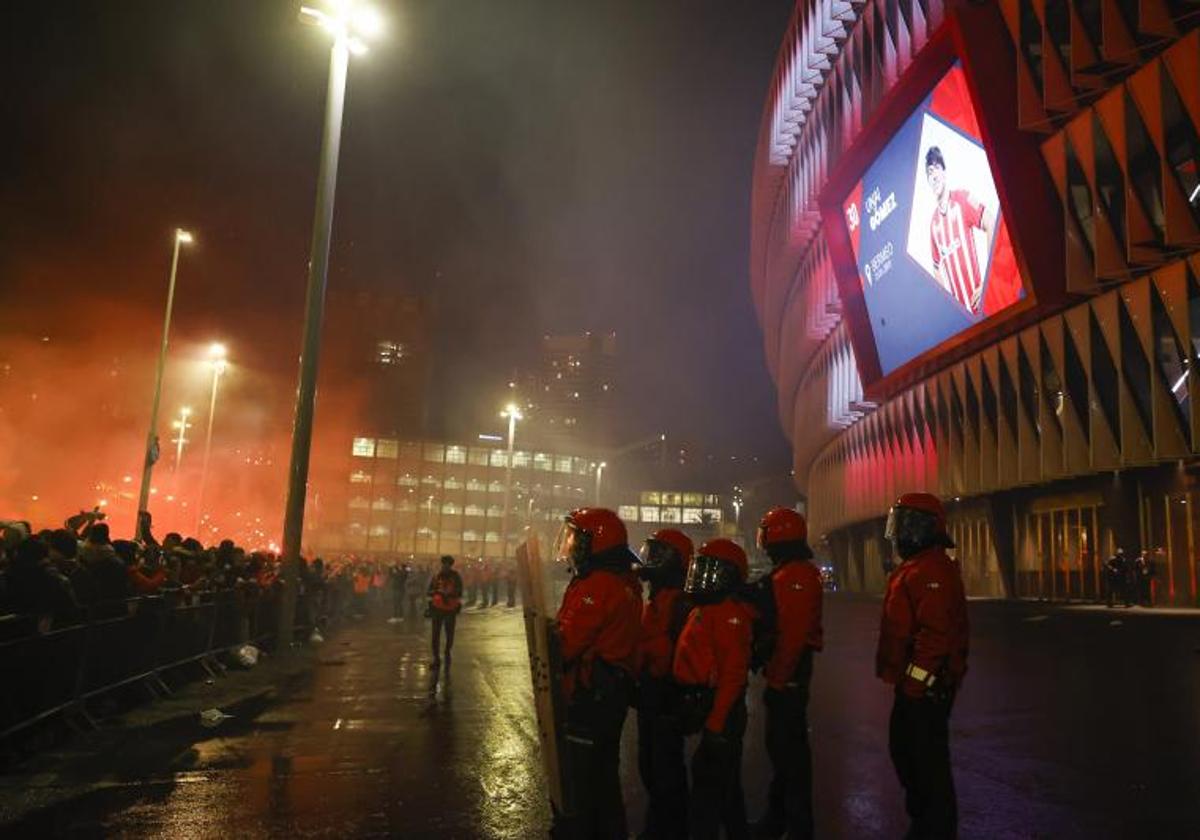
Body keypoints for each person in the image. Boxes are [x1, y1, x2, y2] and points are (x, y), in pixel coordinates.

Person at [876, 492, 969, 840]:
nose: (898, 533)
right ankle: (926, 825)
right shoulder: (920, 567)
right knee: (909, 755)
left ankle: (933, 830)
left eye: (904, 524)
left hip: (926, 690)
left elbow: (935, 638)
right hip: (916, 686)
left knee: (926, 766)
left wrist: (915, 685)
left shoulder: (931, 570)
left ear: (924, 528)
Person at [553, 508, 642, 840]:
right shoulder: (620, 580)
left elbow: (566, 644)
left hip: (591, 696)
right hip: (610, 694)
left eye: (577, 538)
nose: (572, 544)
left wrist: (548, 637)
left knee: (584, 781)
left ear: (597, 543)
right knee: (604, 779)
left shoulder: (599, 585)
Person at [672, 538, 755, 840]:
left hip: (722, 710)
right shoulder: (707, 608)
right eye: (701, 568)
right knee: (726, 786)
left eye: (712, 570)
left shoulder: (729, 614)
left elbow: (733, 674)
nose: (703, 576)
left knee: (707, 789)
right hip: (710, 705)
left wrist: (716, 724)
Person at [751, 508, 823, 840]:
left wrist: (778, 680)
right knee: (783, 753)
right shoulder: (790, 573)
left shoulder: (795, 576)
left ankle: (797, 827)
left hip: (789, 676)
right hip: (787, 674)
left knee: (790, 755)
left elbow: (792, 636)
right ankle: (778, 819)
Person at [634, 528, 693, 840]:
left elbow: (673, 655)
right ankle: (660, 827)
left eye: (657, 554)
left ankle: (670, 830)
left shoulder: (680, 603)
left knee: (665, 770)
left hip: (666, 698)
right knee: (651, 767)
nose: (650, 560)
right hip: (650, 694)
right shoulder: (658, 597)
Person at [925, 145, 993, 315]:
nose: (933, 175)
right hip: (963, 320)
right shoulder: (933, 224)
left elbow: (990, 221)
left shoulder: (962, 199)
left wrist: (988, 280)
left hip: (983, 308)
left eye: (937, 168)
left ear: (944, 172)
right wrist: (948, 303)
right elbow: (936, 266)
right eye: (929, 172)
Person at [427, 555, 463, 666]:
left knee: (448, 634)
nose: (445, 566)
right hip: (439, 608)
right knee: (436, 634)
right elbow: (429, 590)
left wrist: (449, 594)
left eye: (447, 564)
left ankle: (446, 652)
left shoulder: (455, 576)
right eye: (444, 564)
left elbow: (459, 591)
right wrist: (438, 593)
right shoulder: (437, 576)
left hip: (449, 608)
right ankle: (437, 657)